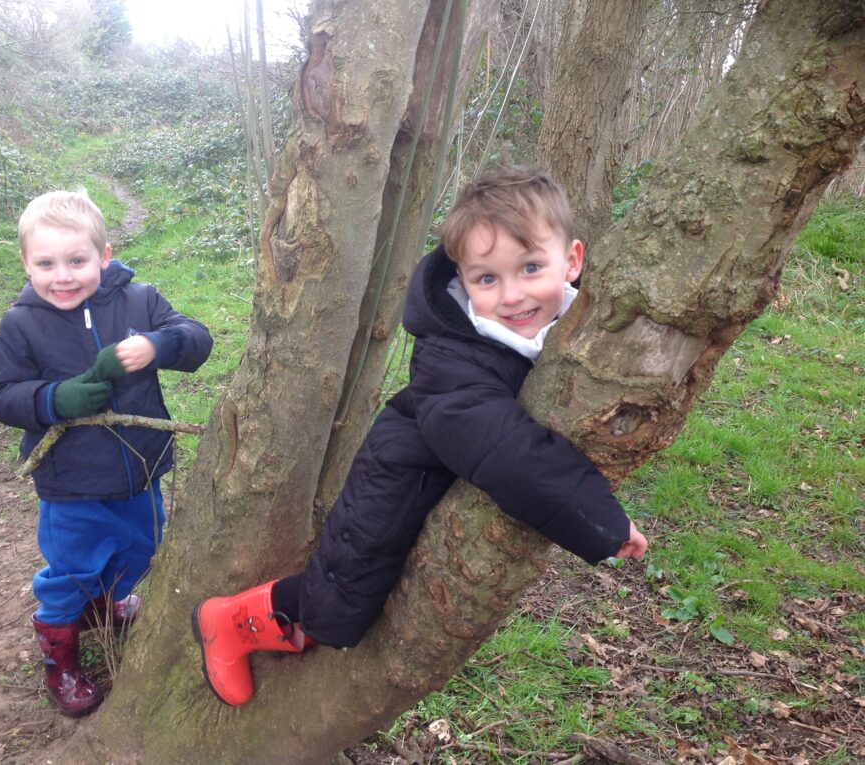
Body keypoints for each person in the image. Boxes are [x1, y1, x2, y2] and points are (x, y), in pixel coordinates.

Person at [192, 166, 648, 707]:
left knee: (354, 597)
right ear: (461, 278)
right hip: (399, 480)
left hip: (435, 477)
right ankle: (231, 620)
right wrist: (599, 520)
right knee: (341, 595)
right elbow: (506, 451)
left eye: (530, 267)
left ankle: (274, 625)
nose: (513, 295)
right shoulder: (455, 354)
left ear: (572, 260)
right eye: (487, 279)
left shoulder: (577, 323)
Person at [0, 190, 213, 717]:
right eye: (46, 263)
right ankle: (59, 653)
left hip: (141, 467)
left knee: (141, 547)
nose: (62, 276)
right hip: (71, 481)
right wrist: (51, 399)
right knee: (72, 567)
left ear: (105, 255)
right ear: (26, 263)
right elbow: (2, 395)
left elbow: (196, 339)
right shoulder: (22, 324)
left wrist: (159, 345)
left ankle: (105, 605)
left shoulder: (139, 302)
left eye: (77, 261)